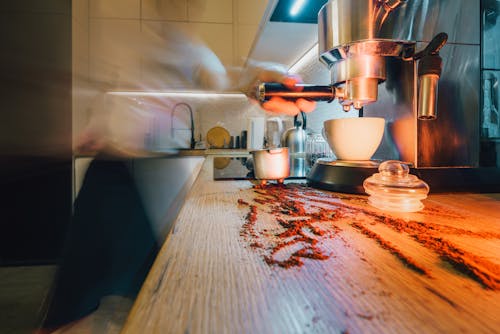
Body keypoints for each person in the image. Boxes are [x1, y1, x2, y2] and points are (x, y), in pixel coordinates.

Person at [37, 21, 316, 334]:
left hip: (146, 172)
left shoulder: (191, 51)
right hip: (112, 176)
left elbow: (234, 79)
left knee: (153, 296)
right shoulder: (131, 40)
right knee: (76, 303)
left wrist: (265, 79)